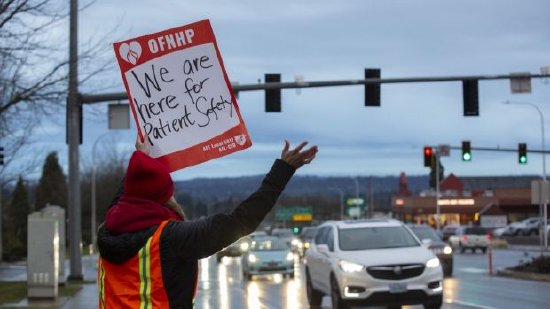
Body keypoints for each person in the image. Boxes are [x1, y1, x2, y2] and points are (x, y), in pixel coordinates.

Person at [97, 135, 318, 308]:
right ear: (163, 198)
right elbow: (240, 221)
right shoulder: (170, 238)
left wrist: (142, 157)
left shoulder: (107, 229)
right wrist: (283, 171)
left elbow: (131, 190)